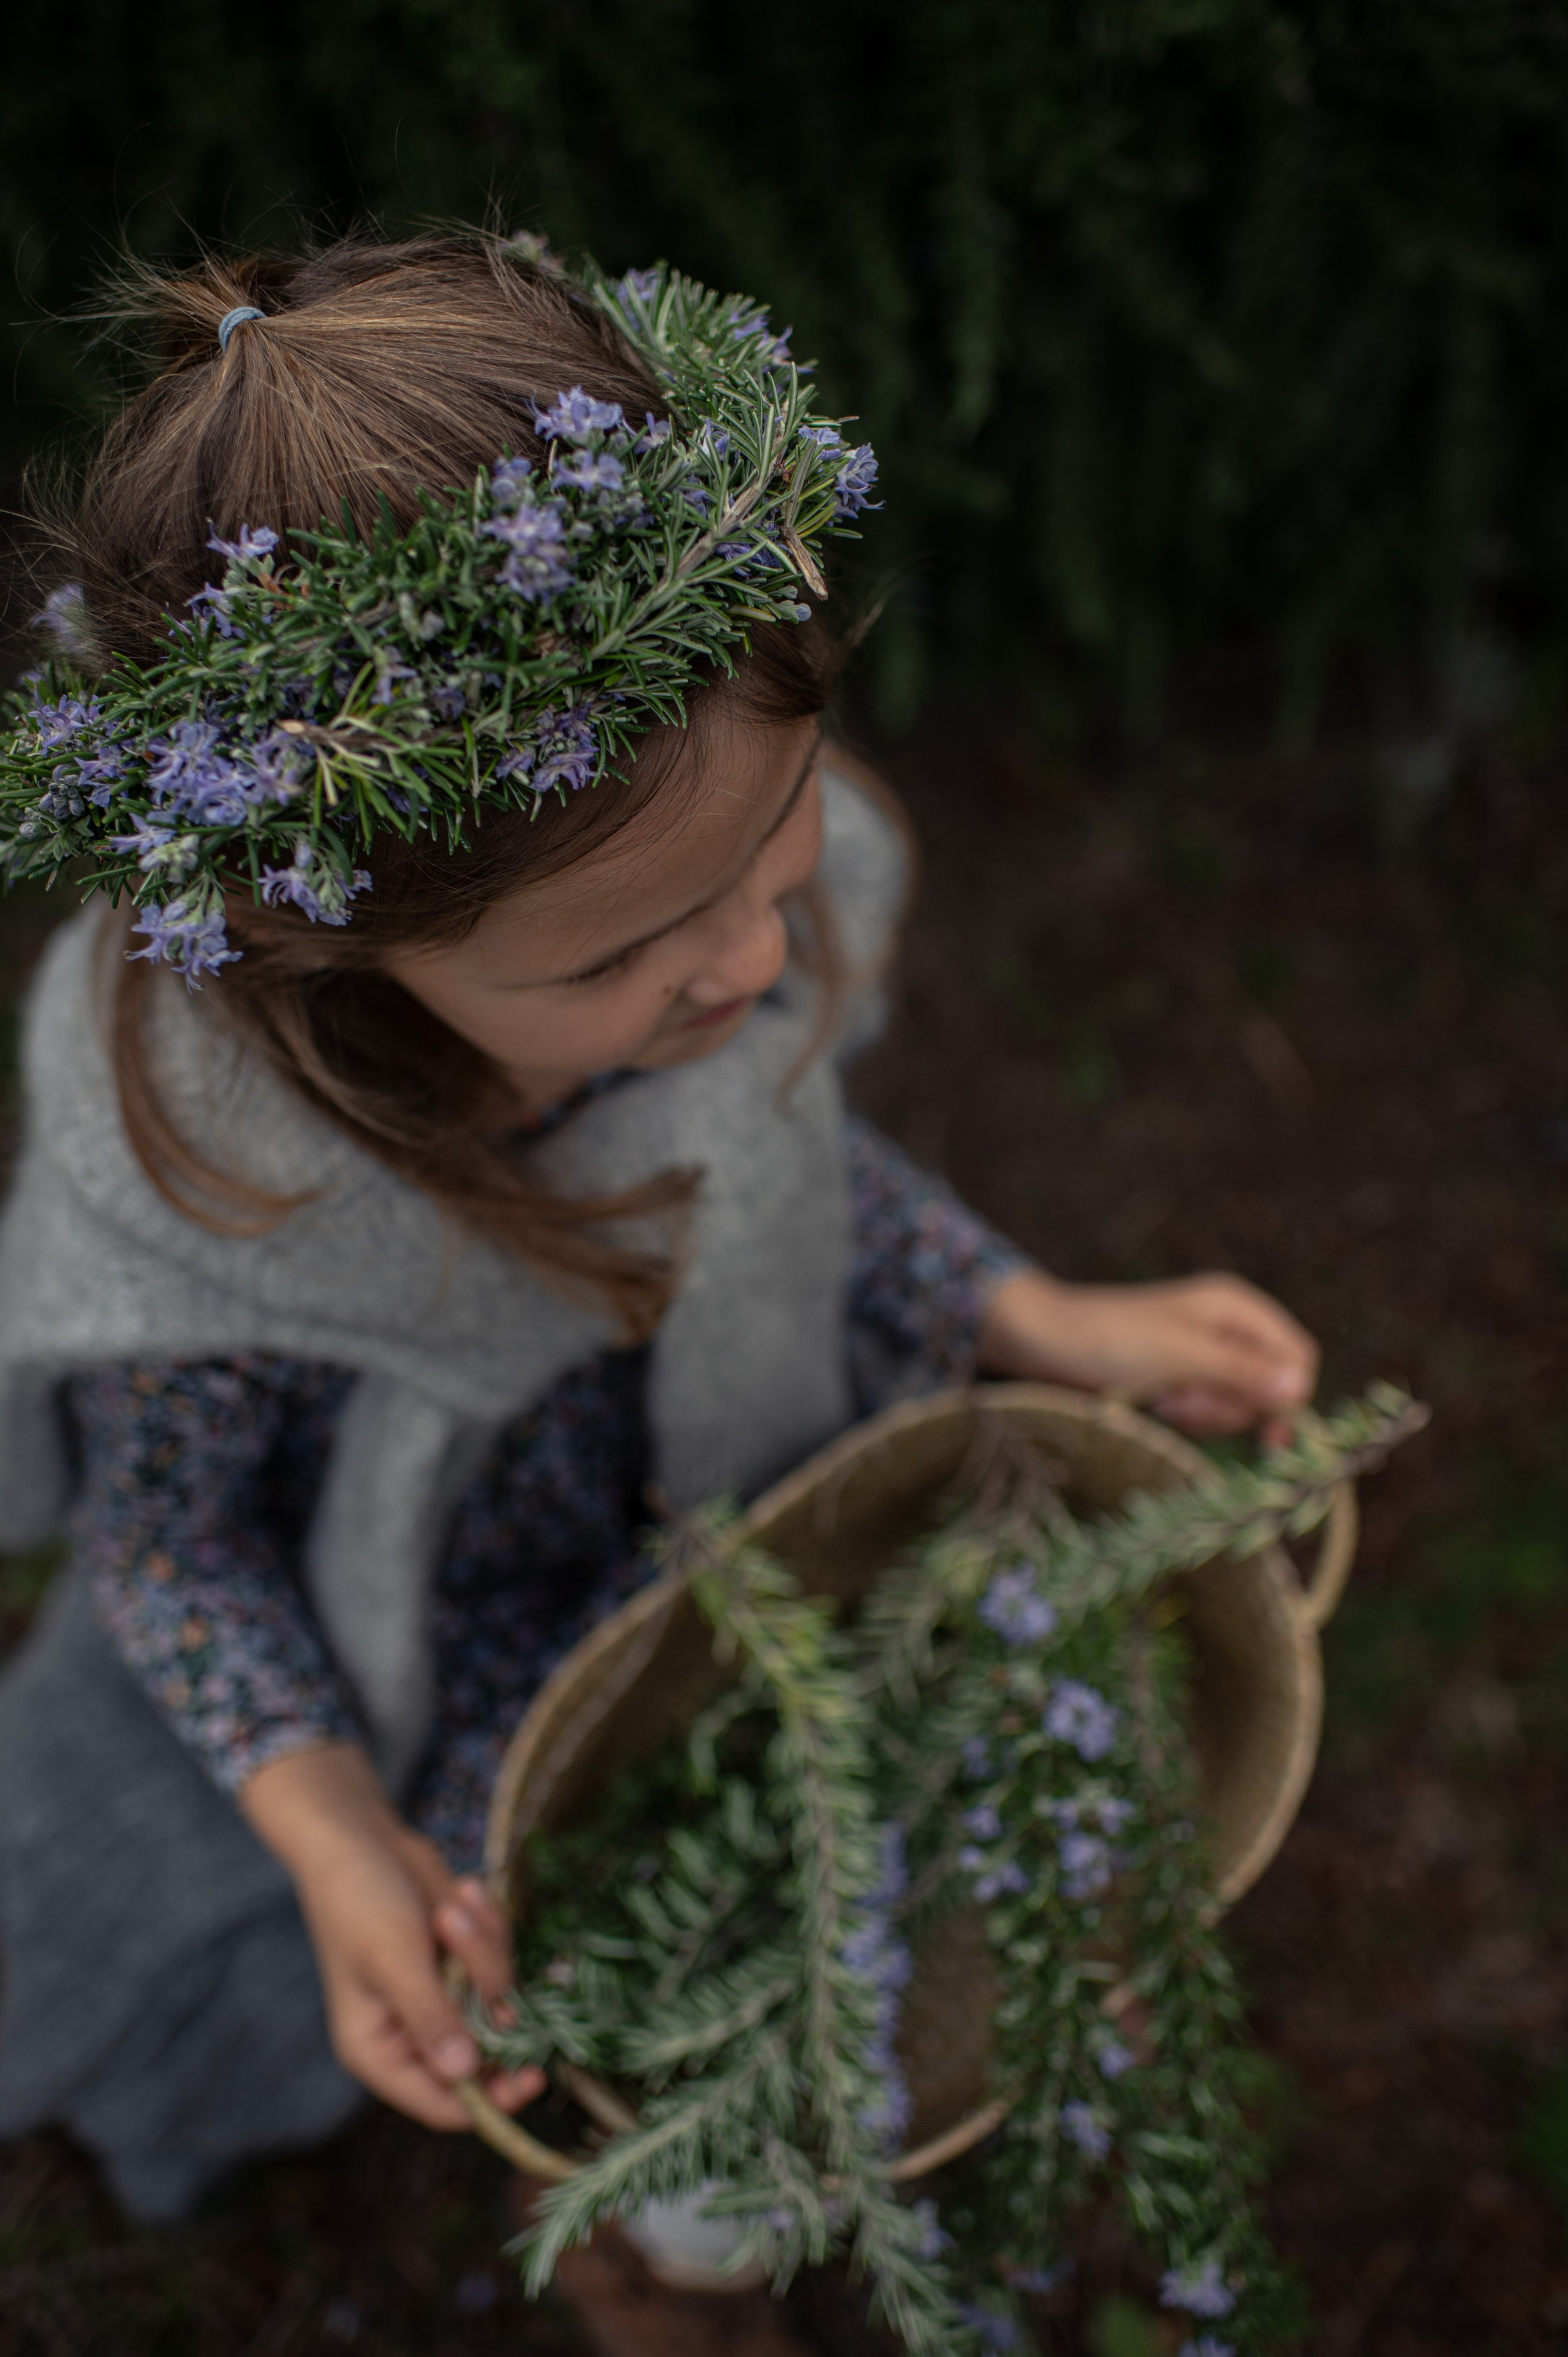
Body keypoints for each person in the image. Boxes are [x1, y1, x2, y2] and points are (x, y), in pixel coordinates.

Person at [0, 231, 1317, 2238]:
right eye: (627, 956)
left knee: (884, 1813)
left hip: (749, 1452)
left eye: (782, 833)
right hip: (469, 1626)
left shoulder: (677, 910)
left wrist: (1034, 1310)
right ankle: (641, 2256)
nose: (757, 961)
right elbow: (174, 1537)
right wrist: (335, 1827)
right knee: (595, 1997)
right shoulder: (233, 1189)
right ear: (329, 941)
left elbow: (774, 1170)